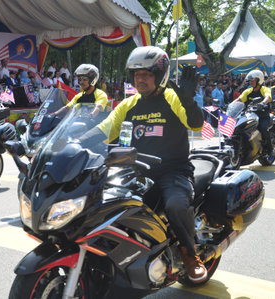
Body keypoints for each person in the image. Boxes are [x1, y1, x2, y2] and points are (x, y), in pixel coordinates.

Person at [86, 46, 206, 283]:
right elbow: (103, 130)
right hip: (137, 172)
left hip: (173, 170)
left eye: (146, 74)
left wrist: (189, 100)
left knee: (175, 206)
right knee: (109, 207)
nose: (140, 79)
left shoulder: (172, 98)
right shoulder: (128, 105)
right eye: (137, 75)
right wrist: (69, 142)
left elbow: (196, 125)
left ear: (159, 75)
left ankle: (190, 255)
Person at [234, 70, 273, 154]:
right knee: (239, 128)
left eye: (253, 81)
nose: (251, 83)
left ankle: (270, 148)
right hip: (249, 115)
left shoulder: (264, 89)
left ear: (259, 81)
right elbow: (239, 100)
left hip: (263, 116)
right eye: (250, 81)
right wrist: (230, 105)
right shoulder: (247, 91)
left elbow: (267, 97)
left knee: (263, 128)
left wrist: (262, 103)